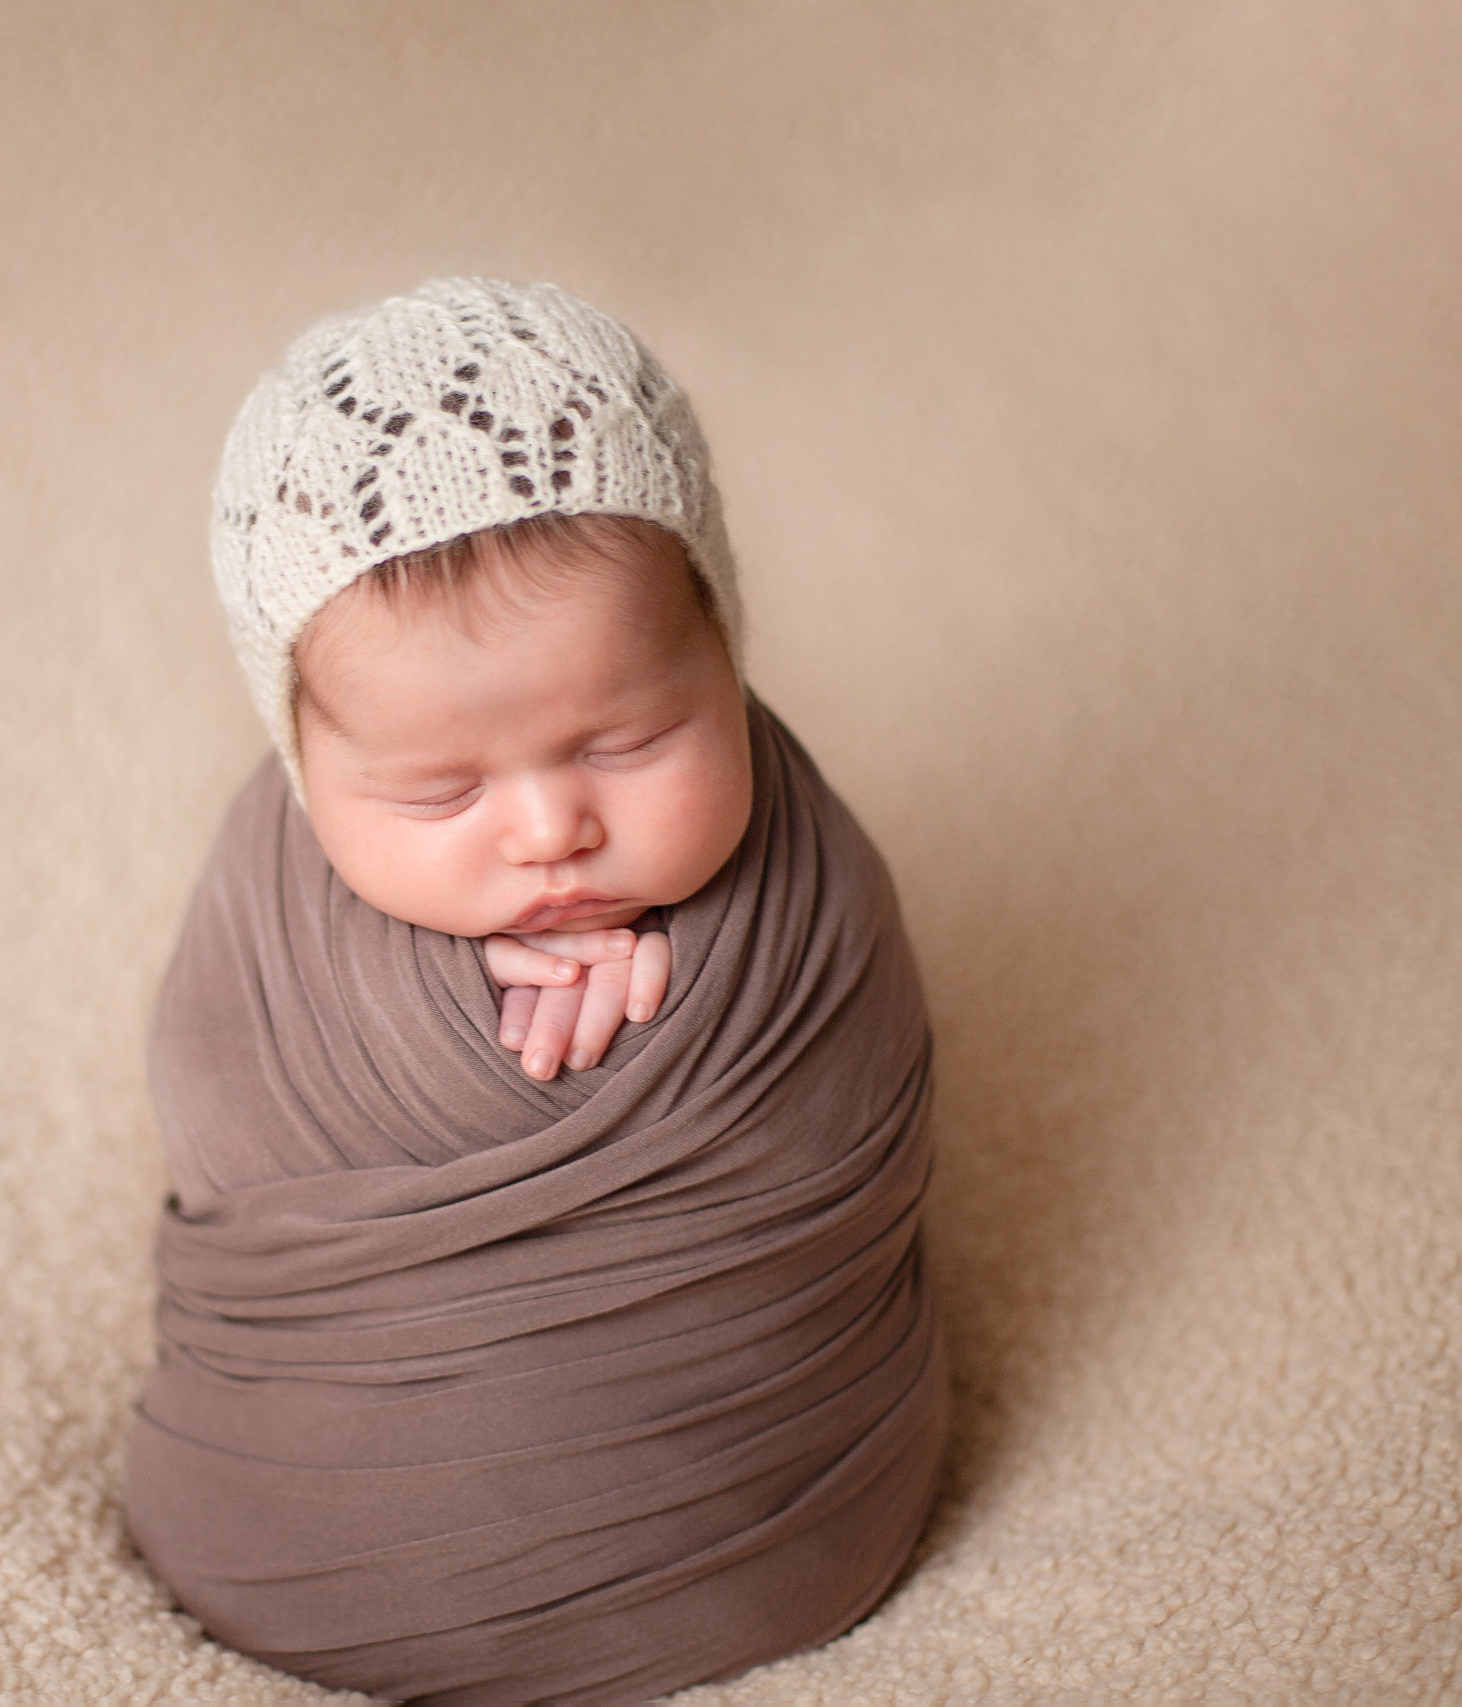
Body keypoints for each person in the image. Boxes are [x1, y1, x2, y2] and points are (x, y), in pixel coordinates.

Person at [127, 278, 947, 1705]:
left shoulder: (811, 887)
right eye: (439, 789)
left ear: (725, 654)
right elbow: (220, 1101)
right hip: (315, 1530)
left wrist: (687, 1001)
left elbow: (844, 1112)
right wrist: (418, 1003)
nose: (546, 830)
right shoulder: (267, 894)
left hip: (770, 1523)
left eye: (626, 742)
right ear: (307, 771)